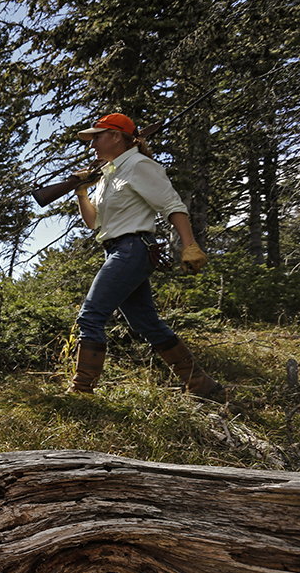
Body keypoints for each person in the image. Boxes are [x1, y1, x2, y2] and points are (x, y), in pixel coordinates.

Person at [66, 113, 223, 399]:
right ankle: (203, 386)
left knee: (90, 317)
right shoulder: (108, 173)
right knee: (147, 324)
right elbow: (93, 222)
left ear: (116, 136)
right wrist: (81, 193)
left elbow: (172, 204)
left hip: (133, 249)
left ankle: (81, 392)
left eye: (97, 137)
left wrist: (189, 244)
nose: (92, 145)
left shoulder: (139, 165)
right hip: (118, 250)